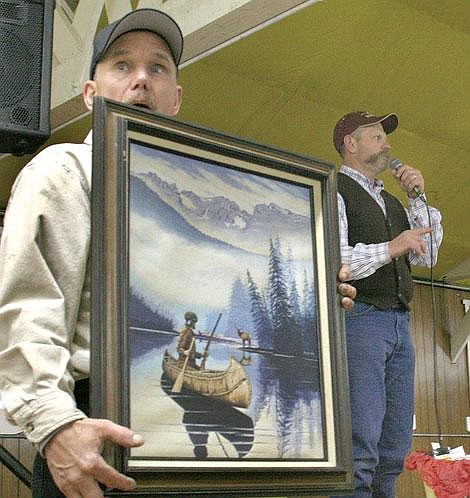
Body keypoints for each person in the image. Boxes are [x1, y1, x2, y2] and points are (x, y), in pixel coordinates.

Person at [0, 8, 355, 497]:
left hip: (190, 466)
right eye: (121, 66)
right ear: (90, 94)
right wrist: (55, 427)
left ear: (176, 100)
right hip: (95, 436)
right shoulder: (66, 170)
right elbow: (26, 309)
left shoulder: (205, 190)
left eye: (158, 67)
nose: (141, 79)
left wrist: (312, 304)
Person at [330, 111, 443, 498]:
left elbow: (427, 256)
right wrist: (393, 247)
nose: (387, 144)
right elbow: (337, 260)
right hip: (359, 319)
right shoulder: (334, 189)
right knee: (360, 441)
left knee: (394, 445)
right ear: (351, 142)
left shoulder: (394, 203)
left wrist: (417, 197)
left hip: (398, 324)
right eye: (377, 136)